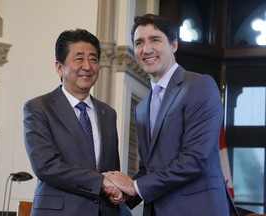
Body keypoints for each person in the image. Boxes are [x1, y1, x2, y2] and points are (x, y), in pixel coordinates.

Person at [105, 14, 239, 216]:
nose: (146, 49)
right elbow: (148, 169)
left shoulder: (199, 85)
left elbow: (195, 158)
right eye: (139, 43)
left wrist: (135, 187)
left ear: (174, 45)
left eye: (155, 40)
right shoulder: (141, 108)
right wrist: (124, 193)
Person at [23, 29, 124, 216]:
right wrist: (99, 182)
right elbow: (45, 165)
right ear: (59, 67)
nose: (87, 66)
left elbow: (111, 170)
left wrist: (118, 190)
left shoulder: (108, 113)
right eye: (79, 59)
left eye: (93, 59)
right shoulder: (38, 108)